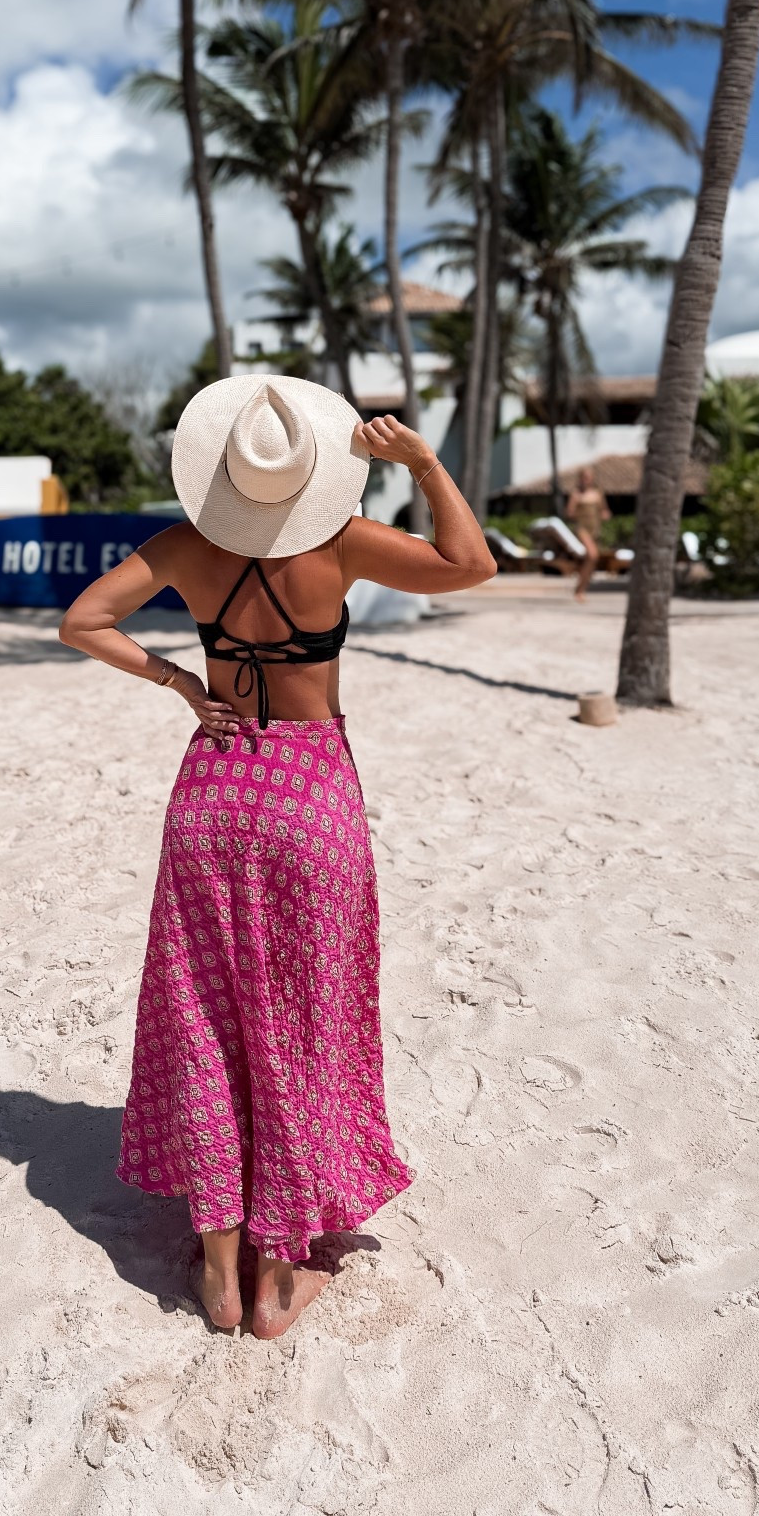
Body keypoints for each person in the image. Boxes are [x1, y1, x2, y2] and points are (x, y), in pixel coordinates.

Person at [59, 377, 495, 1339]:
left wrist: (178, 680)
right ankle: (277, 1272)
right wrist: (423, 463)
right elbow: (471, 566)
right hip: (309, 796)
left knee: (205, 1014)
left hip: (213, 795)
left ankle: (218, 1271)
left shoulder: (188, 547)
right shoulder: (340, 546)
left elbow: (81, 622)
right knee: (305, 1017)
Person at [565, 464, 609, 602]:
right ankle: (580, 590)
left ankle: (581, 589)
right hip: (582, 529)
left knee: (591, 562)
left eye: (588, 477)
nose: (586, 480)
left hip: (595, 530)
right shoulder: (576, 494)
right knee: (592, 556)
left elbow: (604, 511)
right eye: (584, 477)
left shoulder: (598, 493)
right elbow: (569, 513)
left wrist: (604, 515)